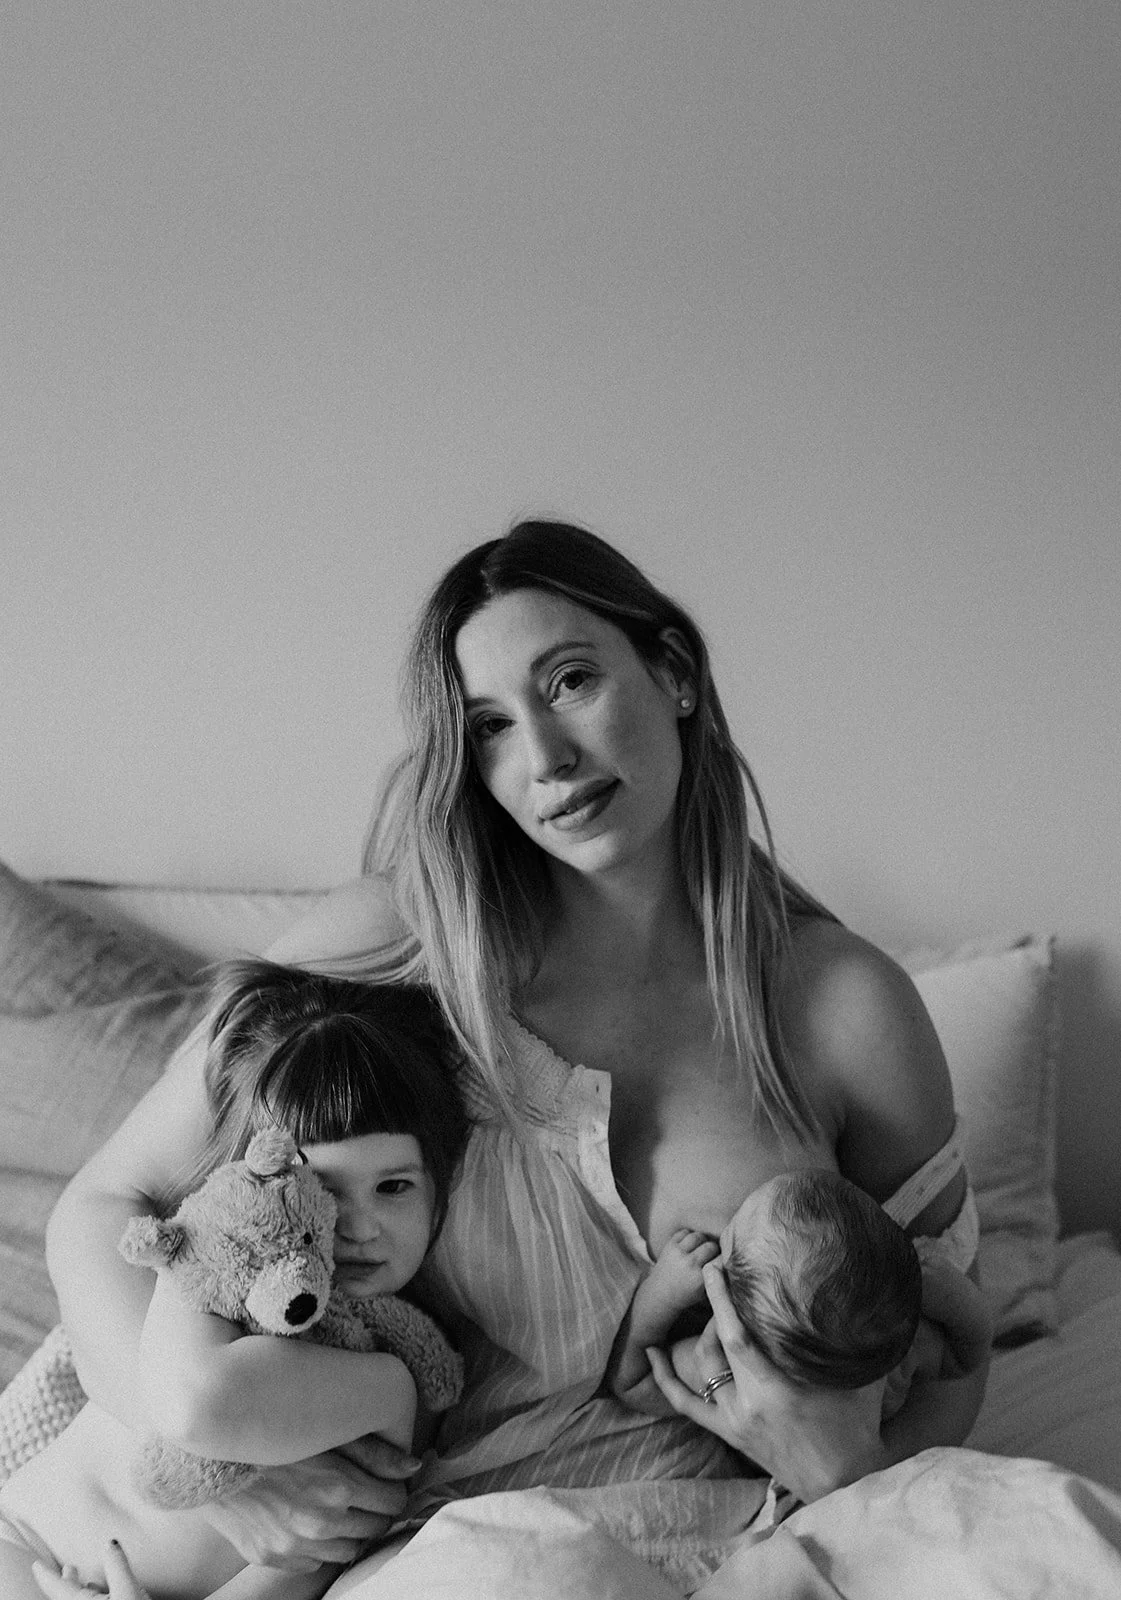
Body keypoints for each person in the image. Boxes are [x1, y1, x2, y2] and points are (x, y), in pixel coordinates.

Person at [41, 521, 990, 1594]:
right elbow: (104, 1207)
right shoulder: (393, 945)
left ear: (671, 671)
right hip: (414, 1542)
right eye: (489, 727)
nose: (544, 760)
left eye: (571, 681)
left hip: (704, 1537)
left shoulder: (844, 1008)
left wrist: (851, 1472)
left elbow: (943, 1347)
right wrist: (221, 1472)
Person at [0, 960, 467, 1600]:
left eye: (394, 1187)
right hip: (25, 1543)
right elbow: (189, 1400)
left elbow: (308, 1558)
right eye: (323, 1187)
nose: (357, 1225)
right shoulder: (203, 1284)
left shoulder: (388, 1378)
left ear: (440, 1191)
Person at [609, 1168, 992, 1432]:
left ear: (736, 1316)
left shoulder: (729, 1370)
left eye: (731, 1234)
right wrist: (948, 1292)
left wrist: (662, 1294)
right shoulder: (901, 1350)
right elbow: (967, 1357)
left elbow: (633, 1381)